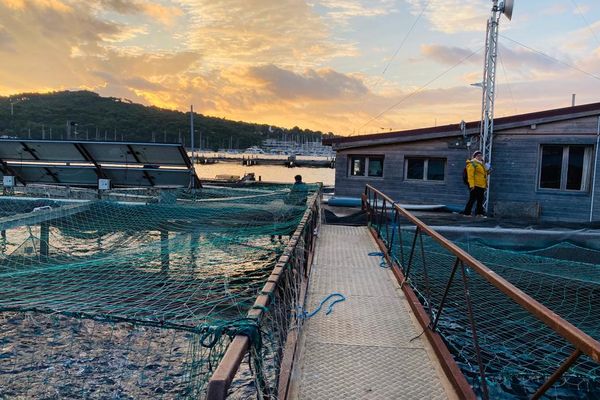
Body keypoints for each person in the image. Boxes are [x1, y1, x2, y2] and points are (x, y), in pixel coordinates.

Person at [462, 150, 490, 217]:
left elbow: (486, 173)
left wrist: (486, 167)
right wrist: (472, 185)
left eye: (481, 155)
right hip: (475, 185)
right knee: (472, 199)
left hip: (481, 185)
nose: (480, 157)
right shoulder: (472, 164)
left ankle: (479, 213)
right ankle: (466, 213)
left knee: (480, 200)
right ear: (475, 157)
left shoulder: (481, 164)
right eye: (478, 156)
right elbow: (470, 175)